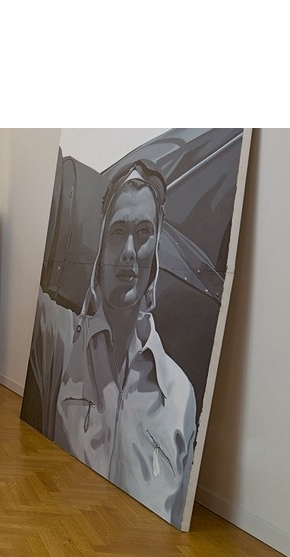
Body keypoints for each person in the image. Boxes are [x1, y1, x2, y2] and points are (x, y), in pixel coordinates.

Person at [28, 159, 197, 527]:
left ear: (156, 249)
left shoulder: (179, 393)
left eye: (143, 232)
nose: (129, 251)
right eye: (118, 231)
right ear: (101, 244)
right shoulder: (63, 339)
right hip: (65, 524)